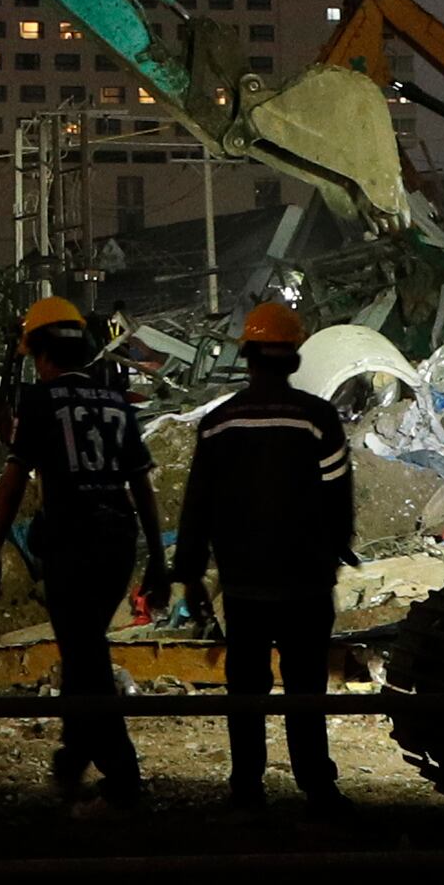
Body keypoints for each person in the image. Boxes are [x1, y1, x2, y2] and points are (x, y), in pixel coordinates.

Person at [0, 293, 163, 808]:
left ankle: (112, 771)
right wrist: (158, 558)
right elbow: (141, 486)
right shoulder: (114, 402)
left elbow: (14, 481)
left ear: (41, 353)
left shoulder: (39, 402)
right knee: (85, 651)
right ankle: (79, 756)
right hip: (118, 544)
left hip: (71, 543)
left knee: (86, 656)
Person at [168, 298, 352, 809]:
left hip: (245, 584)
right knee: (305, 689)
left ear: (248, 356)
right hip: (306, 584)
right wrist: (335, 554)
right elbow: (338, 498)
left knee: (246, 690)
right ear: (292, 357)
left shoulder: (220, 424)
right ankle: (316, 785)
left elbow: (197, 504)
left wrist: (189, 574)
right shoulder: (318, 420)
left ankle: (246, 787)